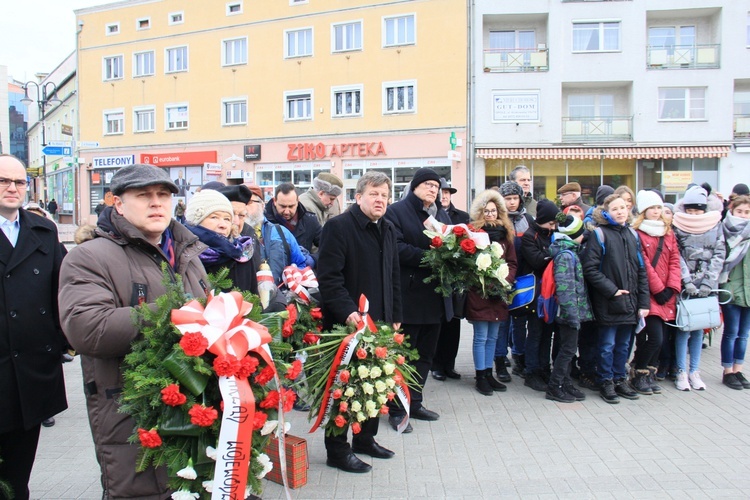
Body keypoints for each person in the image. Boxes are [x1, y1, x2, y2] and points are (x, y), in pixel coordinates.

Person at [58, 164, 209, 498]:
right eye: (144, 195)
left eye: (164, 195)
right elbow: (88, 329)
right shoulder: (88, 257)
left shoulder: (187, 254)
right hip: (129, 411)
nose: (156, 203)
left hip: (195, 404)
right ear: (118, 204)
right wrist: (172, 314)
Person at [317, 171, 401, 473]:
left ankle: (365, 439)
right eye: (374, 194)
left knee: (373, 384)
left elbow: (393, 278)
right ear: (358, 196)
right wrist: (348, 311)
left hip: (379, 324)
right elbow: (328, 277)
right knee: (344, 390)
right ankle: (337, 450)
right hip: (346, 326)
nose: (380, 200)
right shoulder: (338, 228)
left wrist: (395, 320)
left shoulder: (388, 228)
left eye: (385, 195)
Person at [0, 155, 68, 500]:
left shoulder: (42, 229)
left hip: (32, 369)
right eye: (3, 181)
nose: (12, 188)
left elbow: (61, 288)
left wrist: (61, 340)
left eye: (19, 182)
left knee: (18, 471)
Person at [384, 167, 452, 432]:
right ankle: (396, 408)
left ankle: (416, 401)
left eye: (436, 186)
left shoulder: (441, 213)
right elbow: (397, 248)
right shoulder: (397, 211)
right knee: (404, 356)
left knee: (425, 355)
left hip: (435, 297)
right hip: (410, 297)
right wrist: (432, 257)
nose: (433, 190)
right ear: (414, 187)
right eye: (427, 185)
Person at [582, 193, 650, 404]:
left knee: (624, 345)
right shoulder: (599, 235)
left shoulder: (632, 234)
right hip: (609, 301)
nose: (620, 211)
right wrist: (612, 290)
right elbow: (590, 269)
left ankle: (620, 379)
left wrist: (644, 302)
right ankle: (606, 380)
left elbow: (641, 270)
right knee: (607, 345)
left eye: (623, 207)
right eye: (615, 209)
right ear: (607, 212)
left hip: (631, 301)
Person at [671, 185, 725, 391]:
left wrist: (708, 282)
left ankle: (695, 370)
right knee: (684, 329)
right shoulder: (678, 225)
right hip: (687, 287)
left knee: (699, 330)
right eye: (690, 211)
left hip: (706, 287)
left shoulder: (715, 224)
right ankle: (681, 371)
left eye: (697, 211)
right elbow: (677, 255)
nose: (694, 214)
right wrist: (688, 282)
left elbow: (719, 254)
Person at [464, 189, 517, 395]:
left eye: (494, 211)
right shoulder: (474, 234)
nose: (490, 214)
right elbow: (467, 263)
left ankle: (489, 373)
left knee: (493, 337)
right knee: (481, 336)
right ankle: (480, 376)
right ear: (480, 213)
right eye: (486, 211)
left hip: (499, 292)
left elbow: (512, 262)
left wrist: (505, 280)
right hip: (479, 292)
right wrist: (483, 281)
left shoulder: (506, 235)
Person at [630, 190, 680, 395]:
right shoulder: (638, 234)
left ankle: (648, 373)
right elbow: (644, 266)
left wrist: (672, 287)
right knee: (655, 338)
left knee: (656, 339)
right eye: (652, 208)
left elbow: (675, 261)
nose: (656, 211)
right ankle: (639, 372)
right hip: (648, 294)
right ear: (643, 210)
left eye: (659, 207)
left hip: (667, 294)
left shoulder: (668, 233)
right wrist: (659, 288)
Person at [546, 214, 591, 403]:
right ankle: (555, 386)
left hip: (571, 313)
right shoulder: (565, 255)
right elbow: (565, 289)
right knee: (568, 350)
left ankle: (564, 382)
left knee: (567, 349)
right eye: (582, 233)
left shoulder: (569, 251)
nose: (584, 236)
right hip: (568, 314)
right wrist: (572, 316)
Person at [184, 189, 259, 294]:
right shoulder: (182, 256)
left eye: (227, 219)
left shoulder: (241, 255)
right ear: (195, 222)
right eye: (214, 217)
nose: (223, 225)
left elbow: (254, 302)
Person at [432, 177, 470, 381]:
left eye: (447, 192)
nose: (444, 195)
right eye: (441, 191)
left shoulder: (462, 216)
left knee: (454, 324)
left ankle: (450, 364)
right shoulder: (433, 215)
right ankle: (436, 365)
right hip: (438, 279)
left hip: (457, 280)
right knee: (439, 324)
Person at [521, 199, 560, 392]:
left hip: (551, 292)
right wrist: (554, 253)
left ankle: (544, 367)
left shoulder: (552, 234)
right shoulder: (530, 236)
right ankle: (531, 371)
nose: (553, 227)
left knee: (548, 333)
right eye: (551, 223)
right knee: (535, 333)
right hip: (537, 293)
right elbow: (537, 261)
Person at [500, 181, 536, 378]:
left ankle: (519, 356)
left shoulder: (528, 219)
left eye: (515, 198)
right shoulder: (498, 219)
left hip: (524, 278)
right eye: (508, 199)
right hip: (504, 277)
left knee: (520, 320)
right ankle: (501, 357)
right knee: (503, 321)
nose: (512, 202)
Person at [243, 183, 309, 283]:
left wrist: (293, 277)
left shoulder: (281, 232)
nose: (244, 208)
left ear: (262, 204)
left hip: (280, 296)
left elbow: (300, 265)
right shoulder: (231, 236)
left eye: (248, 202)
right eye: (239, 203)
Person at [719, 195, 750, 390]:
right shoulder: (723, 230)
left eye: (747, 212)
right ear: (731, 210)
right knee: (731, 332)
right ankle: (727, 371)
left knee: (744, 334)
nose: (743, 215)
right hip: (730, 288)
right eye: (740, 211)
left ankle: (739, 369)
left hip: (748, 291)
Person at [265, 182, 322, 256]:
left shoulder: (310, 220)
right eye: (283, 206)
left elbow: (328, 246)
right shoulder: (262, 221)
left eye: (291, 206)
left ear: (297, 201)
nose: (287, 212)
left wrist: (313, 259)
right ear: (275, 201)